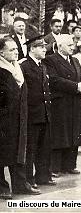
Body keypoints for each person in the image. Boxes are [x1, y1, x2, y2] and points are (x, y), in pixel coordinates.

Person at [0, 37, 41, 199]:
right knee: (2, 153)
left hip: (19, 119)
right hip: (3, 121)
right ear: (1, 52)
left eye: (16, 49)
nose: (15, 52)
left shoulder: (16, 68)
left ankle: (20, 184)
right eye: (11, 50)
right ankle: (2, 187)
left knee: (18, 151)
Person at [44, 34, 81, 176]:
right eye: (69, 45)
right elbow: (54, 80)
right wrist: (76, 86)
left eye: (73, 44)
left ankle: (70, 165)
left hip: (76, 102)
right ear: (60, 46)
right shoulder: (51, 60)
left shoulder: (75, 60)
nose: (73, 47)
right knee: (59, 135)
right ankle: (55, 167)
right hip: (61, 103)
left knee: (74, 133)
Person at [20, 36, 55, 188]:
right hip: (32, 115)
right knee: (31, 149)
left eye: (44, 47)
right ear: (32, 49)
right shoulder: (25, 66)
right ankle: (28, 179)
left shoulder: (43, 66)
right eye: (41, 47)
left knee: (44, 148)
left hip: (44, 114)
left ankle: (42, 176)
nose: (44, 49)